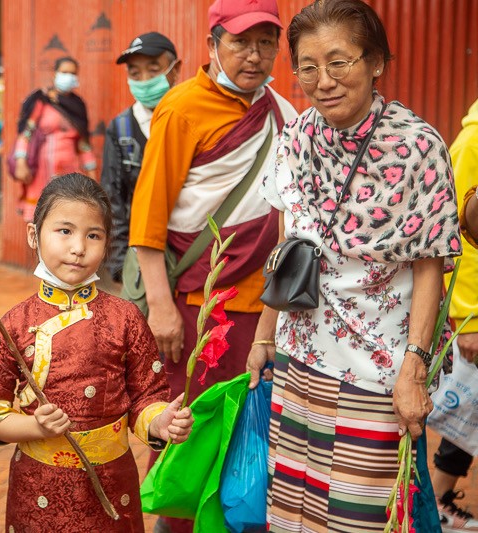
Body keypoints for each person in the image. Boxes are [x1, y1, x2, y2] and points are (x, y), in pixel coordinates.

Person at [248, 1, 462, 531]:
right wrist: (263, 336)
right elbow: (287, 245)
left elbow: (431, 263)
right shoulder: (296, 138)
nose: (323, 80)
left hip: (375, 371)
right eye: (307, 66)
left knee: (354, 515)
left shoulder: (417, 147)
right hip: (300, 358)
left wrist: (413, 368)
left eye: (339, 62)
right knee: (291, 511)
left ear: (375, 62)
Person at [128, 4, 296, 530]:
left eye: (267, 43)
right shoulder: (181, 109)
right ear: (212, 45)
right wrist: (161, 308)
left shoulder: (283, 113)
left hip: (265, 312)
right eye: (242, 42)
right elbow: (147, 221)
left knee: (250, 436)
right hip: (199, 310)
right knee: (190, 433)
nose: (254, 55)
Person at [0, 173, 194, 532]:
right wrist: (34, 426)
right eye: (64, 231)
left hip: (112, 483)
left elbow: (146, 397)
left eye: (93, 235)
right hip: (38, 489)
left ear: (107, 244)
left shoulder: (125, 319)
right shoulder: (12, 326)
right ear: (34, 235)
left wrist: (158, 422)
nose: (78, 247)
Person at [431, 97, 478, 533]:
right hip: (476, 309)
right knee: (465, 407)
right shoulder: (472, 142)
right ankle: (435, 501)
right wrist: (470, 318)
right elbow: (457, 238)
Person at [101, 32, 182, 283]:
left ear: (175, 70)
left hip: (190, 249)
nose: (144, 80)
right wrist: (120, 265)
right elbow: (114, 197)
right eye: (135, 73)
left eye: (154, 69)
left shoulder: (190, 121)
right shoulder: (121, 128)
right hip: (142, 257)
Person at [12, 57, 97, 222]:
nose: (69, 76)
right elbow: (26, 134)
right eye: (64, 72)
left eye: (73, 73)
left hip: (69, 172)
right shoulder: (41, 102)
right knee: (39, 222)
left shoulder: (78, 106)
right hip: (41, 172)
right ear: (55, 74)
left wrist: (92, 173)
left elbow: (84, 144)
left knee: (68, 220)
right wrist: (21, 161)